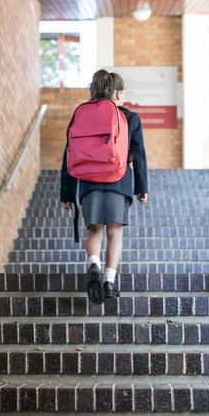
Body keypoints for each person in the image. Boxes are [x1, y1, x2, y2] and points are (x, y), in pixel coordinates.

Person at [60, 69, 148, 304]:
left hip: (88, 181)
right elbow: (138, 154)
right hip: (118, 180)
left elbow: (68, 153)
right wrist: (142, 187)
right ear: (118, 93)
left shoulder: (83, 114)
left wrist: (66, 192)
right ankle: (109, 282)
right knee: (114, 232)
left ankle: (93, 263)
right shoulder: (130, 117)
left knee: (94, 230)